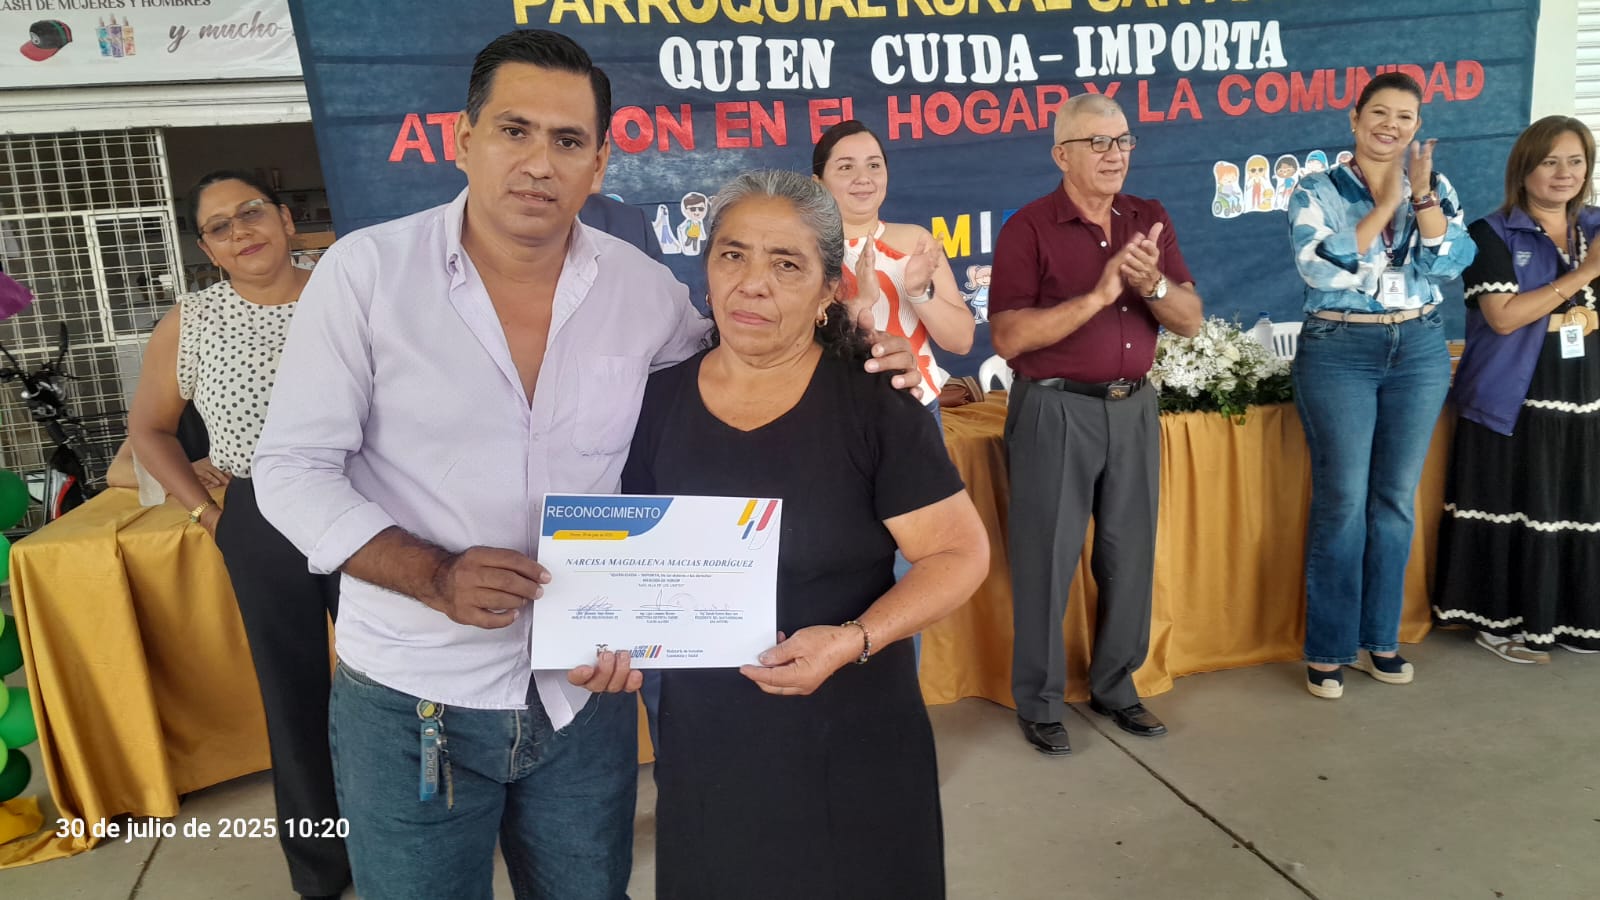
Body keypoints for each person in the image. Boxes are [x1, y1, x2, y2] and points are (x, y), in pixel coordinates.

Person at [251, 30, 927, 900]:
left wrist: (856, 352)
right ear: (463, 138)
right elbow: (292, 469)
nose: (540, 162)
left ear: (600, 163)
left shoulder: (642, 292)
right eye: (514, 130)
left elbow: (743, 366)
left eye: (568, 140)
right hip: (414, 698)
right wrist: (432, 573)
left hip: (584, 698)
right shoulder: (366, 275)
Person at [623, 169, 988, 899]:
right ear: (707, 270)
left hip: (853, 737)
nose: (753, 283)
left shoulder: (874, 401)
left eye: (786, 264)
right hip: (709, 747)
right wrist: (603, 641)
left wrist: (853, 639)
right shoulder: (654, 402)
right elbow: (629, 566)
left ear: (830, 289)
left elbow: (959, 553)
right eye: (733, 255)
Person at [125, 170, 349, 900]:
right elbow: (149, 431)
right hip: (259, 517)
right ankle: (321, 867)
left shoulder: (348, 290)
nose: (240, 231)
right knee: (293, 694)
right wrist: (207, 514)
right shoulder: (192, 320)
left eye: (251, 212)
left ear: (285, 219)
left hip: (363, 505)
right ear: (208, 249)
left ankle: (409, 831)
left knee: (395, 678)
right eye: (219, 226)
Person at [989, 94, 1203, 754]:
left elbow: (1191, 320)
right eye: (1098, 143)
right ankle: (1039, 701)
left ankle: (1116, 686)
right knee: (1047, 561)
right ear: (1062, 154)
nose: (1115, 155)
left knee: (1129, 557)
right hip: (1055, 409)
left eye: (1124, 141)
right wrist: (1100, 296)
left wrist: (1153, 286)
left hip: (1132, 407)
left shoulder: (1148, 217)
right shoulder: (1029, 227)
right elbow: (1009, 336)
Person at [1286, 72, 1475, 699]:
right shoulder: (1317, 188)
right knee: (1343, 501)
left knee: (1394, 500)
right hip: (1341, 348)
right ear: (1355, 118)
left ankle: (1381, 639)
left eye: (1405, 117)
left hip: (1418, 347)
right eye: (1380, 113)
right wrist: (1387, 206)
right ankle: (1329, 649)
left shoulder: (1435, 186)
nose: (1391, 125)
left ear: (1417, 126)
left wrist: (1420, 199)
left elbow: (1449, 262)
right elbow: (1321, 268)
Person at [1434, 116, 1600, 661]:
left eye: (1575, 161)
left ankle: (1572, 619)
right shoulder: (1491, 232)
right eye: (1550, 161)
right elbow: (1503, 317)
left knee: (1574, 507)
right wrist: (1583, 275)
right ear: (1524, 169)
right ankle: (1497, 623)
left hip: (1585, 394)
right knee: (1515, 509)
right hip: (1514, 397)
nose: (1564, 173)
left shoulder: (1595, 227)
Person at [813, 120, 974, 414]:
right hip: (837, 413)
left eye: (874, 165)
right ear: (818, 183)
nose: (863, 178)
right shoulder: (803, 252)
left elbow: (961, 342)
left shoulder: (916, 242)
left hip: (916, 407)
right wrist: (860, 300)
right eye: (846, 167)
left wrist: (919, 292)